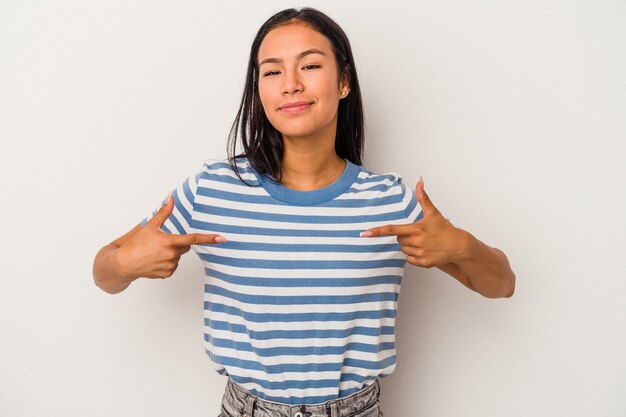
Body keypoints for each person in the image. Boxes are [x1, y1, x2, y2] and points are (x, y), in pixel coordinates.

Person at [93, 7, 515, 417]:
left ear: (344, 81)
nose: (290, 84)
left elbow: (502, 284)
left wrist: (460, 245)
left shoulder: (390, 201)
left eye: (310, 66)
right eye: (272, 72)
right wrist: (125, 263)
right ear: (259, 90)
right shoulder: (213, 189)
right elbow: (104, 271)